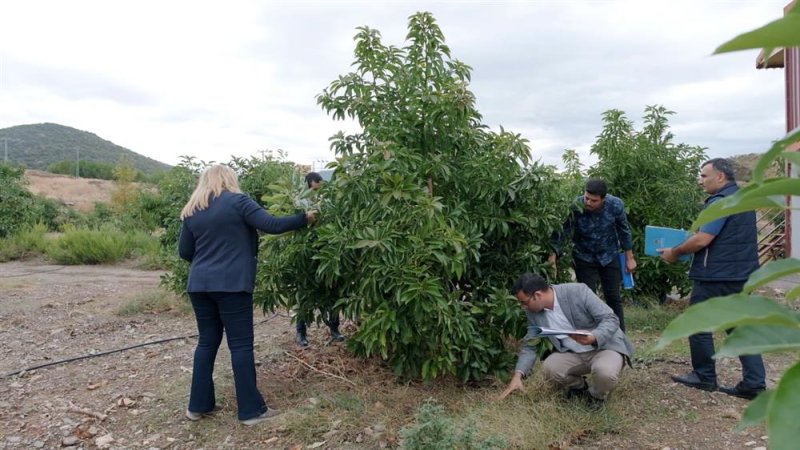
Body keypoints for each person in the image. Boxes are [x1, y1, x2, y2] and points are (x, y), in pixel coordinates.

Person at [178, 165, 316, 426]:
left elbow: (185, 252)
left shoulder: (192, 208)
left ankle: (198, 406)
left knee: (207, 342)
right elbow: (272, 225)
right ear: (230, 179)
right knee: (240, 345)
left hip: (199, 286)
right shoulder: (238, 202)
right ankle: (251, 411)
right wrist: (304, 218)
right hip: (232, 285)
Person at [659, 158, 766, 400]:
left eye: (704, 176)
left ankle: (704, 375)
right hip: (741, 275)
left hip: (716, 276)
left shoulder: (720, 203)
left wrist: (674, 252)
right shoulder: (743, 199)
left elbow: (702, 240)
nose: (700, 181)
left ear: (720, 177)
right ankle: (754, 383)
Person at [499, 273, 634, 408]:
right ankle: (579, 388)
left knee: (605, 373)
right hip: (574, 354)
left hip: (604, 347)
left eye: (524, 302)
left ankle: (596, 396)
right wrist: (518, 376)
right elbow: (530, 345)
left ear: (538, 295)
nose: (524, 307)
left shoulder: (577, 291)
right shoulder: (533, 312)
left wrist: (594, 336)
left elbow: (611, 318)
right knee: (550, 368)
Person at [550, 178, 636, 331]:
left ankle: (620, 339)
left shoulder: (615, 205)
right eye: (586, 198)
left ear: (603, 199)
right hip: (584, 257)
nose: (588, 202)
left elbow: (624, 230)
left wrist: (630, 258)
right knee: (588, 299)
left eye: (593, 200)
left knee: (613, 298)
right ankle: (593, 338)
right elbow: (563, 233)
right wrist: (552, 257)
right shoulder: (576, 206)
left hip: (609, 255)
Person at [294, 171, 344, 346]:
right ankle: (301, 333)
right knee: (304, 294)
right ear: (308, 184)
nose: (318, 190)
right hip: (306, 253)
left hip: (325, 251)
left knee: (332, 290)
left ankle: (335, 328)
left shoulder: (327, 200)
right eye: (315, 186)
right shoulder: (299, 201)